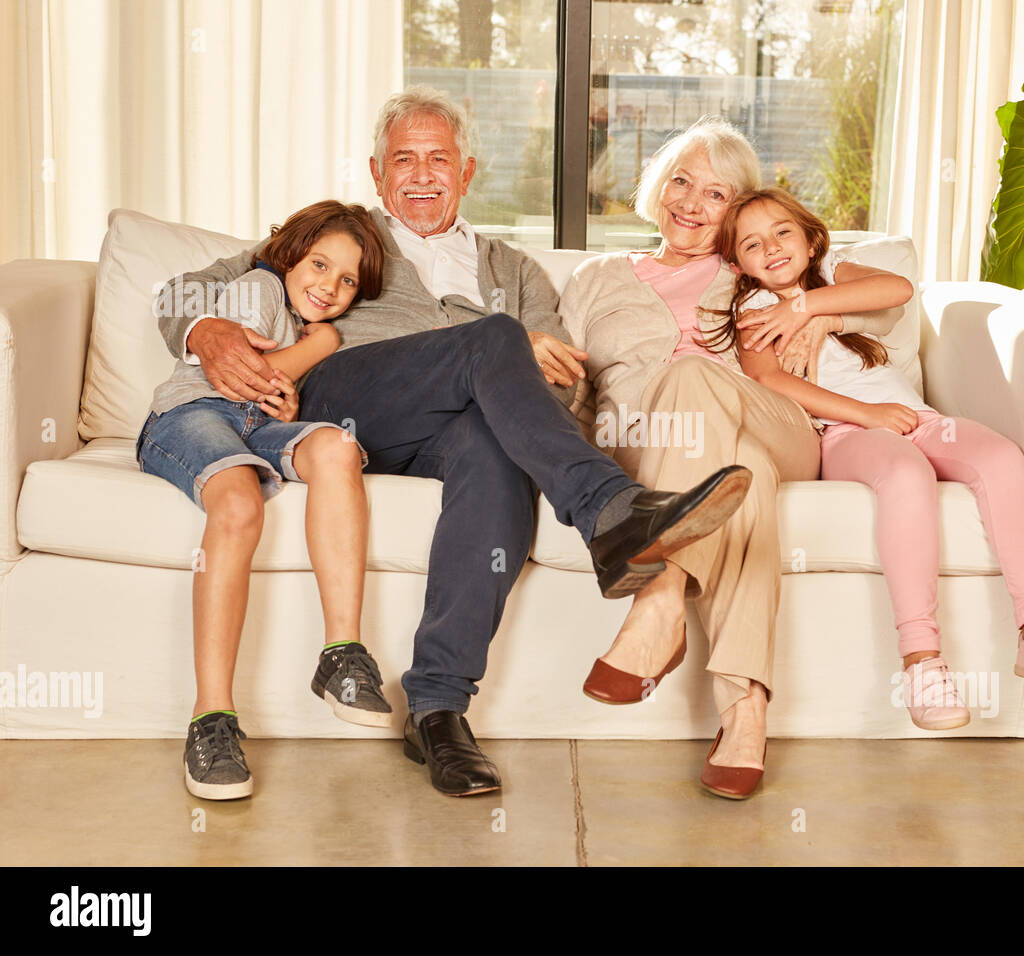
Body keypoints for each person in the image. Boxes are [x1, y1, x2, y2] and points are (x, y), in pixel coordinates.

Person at [152, 88, 750, 799]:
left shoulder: (515, 271)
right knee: (498, 338)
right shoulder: (345, 238)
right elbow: (184, 291)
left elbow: (550, 393)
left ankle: (438, 707)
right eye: (403, 159)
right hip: (342, 405)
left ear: (467, 173)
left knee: (496, 450)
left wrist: (504, 360)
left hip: (443, 430)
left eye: (439, 159)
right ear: (378, 175)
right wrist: (206, 332)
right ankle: (609, 511)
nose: (422, 174)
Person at [560, 119, 899, 799]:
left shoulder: (754, 266)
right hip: (646, 438)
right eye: (680, 181)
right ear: (658, 186)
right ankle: (745, 710)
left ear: (737, 211)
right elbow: (567, 384)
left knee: (698, 385)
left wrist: (815, 309)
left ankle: (660, 599)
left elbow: (886, 301)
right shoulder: (596, 278)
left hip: (777, 427)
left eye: (716, 194)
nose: (691, 202)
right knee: (747, 478)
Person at [715, 187, 1024, 732]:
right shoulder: (753, 309)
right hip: (845, 432)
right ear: (737, 263)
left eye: (782, 232)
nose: (773, 249)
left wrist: (810, 308)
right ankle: (922, 661)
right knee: (904, 470)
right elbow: (769, 380)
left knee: (1000, 456)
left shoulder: (829, 274)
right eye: (752, 245)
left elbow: (897, 288)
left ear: (808, 238)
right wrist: (866, 414)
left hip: (913, 414)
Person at [138, 200, 391, 799]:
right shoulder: (257, 285)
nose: (329, 287)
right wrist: (323, 343)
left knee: (336, 448)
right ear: (289, 255)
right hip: (192, 414)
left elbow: (270, 391)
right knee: (239, 502)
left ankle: (342, 654)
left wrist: (293, 402)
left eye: (347, 281)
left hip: (254, 422)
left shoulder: (302, 313)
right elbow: (252, 370)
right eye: (319, 265)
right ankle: (211, 721)